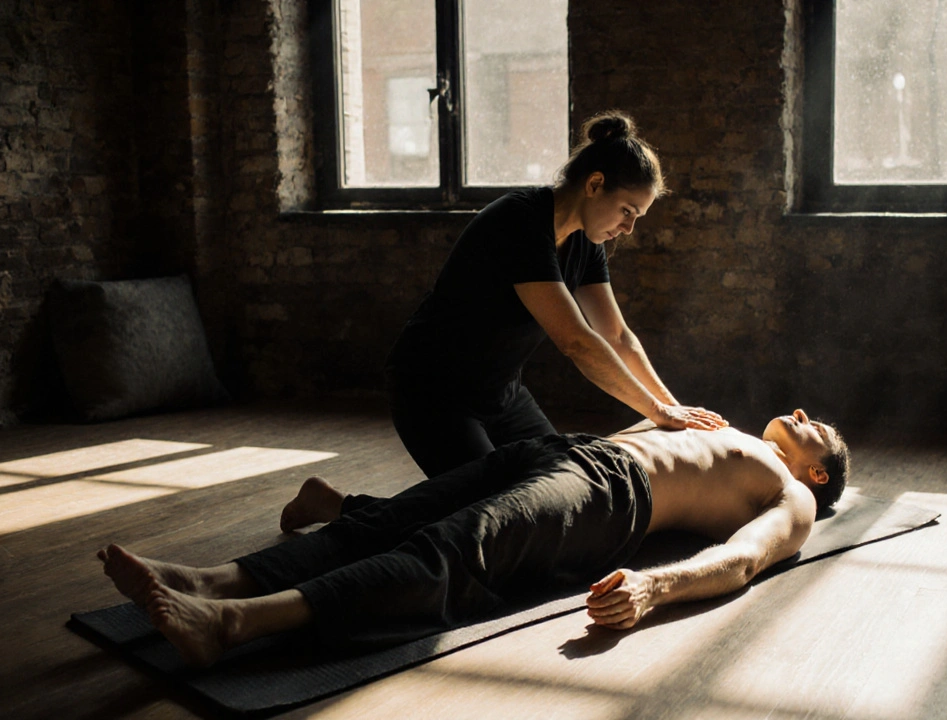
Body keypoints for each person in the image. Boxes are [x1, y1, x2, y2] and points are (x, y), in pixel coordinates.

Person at [97, 410, 850, 667]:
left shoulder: (791, 497)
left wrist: (656, 587)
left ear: (818, 475)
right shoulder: (732, 431)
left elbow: (742, 560)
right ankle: (213, 581)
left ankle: (232, 624)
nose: (804, 414)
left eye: (820, 431)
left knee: (443, 553)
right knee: (386, 521)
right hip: (564, 449)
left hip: (611, 496)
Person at [386, 110, 725, 478]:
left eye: (637, 217)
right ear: (595, 184)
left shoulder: (586, 239)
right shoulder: (521, 222)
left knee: (559, 486)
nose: (628, 228)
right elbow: (577, 342)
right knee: (489, 508)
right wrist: (657, 413)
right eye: (627, 211)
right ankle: (339, 508)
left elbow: (616, 335)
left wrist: (675, 410)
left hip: (501, 392)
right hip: (433, 389)